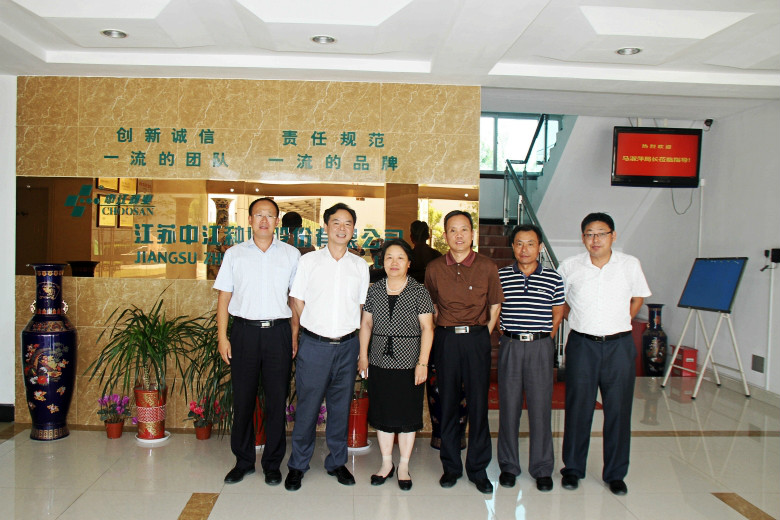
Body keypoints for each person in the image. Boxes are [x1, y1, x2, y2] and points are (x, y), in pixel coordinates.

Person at [557, 212, 651, 496]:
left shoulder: (629, 264)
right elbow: (558, 302)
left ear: (613, 236)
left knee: (619, 411)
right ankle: (573, 469)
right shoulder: (570, 266)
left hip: (619, 346)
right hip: (582, 345)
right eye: (589, 234)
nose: (595, 239)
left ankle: (615, 474)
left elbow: (638, 298)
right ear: (582, 237)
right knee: (578, 408)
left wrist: (622, 320)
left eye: (601, 233)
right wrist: (578, 319)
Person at [213, 197, 300, 486]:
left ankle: (272, 464)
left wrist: (294, 335)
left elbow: (295, 300)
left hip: (278, 333)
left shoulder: (291, 255)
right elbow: (224, 297)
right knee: (243, 399)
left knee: (276, 400)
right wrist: (222, 337)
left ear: (277, 221)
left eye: (270, 215)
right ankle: (243, 461)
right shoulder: (235, 254)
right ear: (249, 220)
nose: (264, 220)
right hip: (244, 333)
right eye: (258, 215)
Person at [285, 203, 370, 491]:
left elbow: (363, 309)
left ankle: (336, 462)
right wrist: (307, 331)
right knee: (307, 408)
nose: (342, 228)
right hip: (314, 345)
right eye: (336, 222)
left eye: (348, 223)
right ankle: (298, 465)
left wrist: (361, 350)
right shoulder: (309, 261)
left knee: (340, 407)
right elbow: (296, 301)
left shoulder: (360, 266)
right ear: (325, 227)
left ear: (353, 229)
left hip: (347, 346)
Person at [424, 210, 504, 494]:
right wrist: (444, 331)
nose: (458, 235)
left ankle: (478, 469)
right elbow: (432, 307)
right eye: (452, 230)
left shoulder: (487, 266)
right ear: (445, 235)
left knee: (478, 405)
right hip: (446, 340)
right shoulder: (434, 268)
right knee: (447, 403)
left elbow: (494, 305)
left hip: (477, 339)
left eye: (464, 230)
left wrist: (481, 334)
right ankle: (451, 467)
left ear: (472, 233)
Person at [357, 239, 435, 491]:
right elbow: (366, 324)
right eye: (389, 257)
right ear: (382, 261)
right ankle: (386, 463)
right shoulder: (375, 290)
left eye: (400, 257)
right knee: (383, 414)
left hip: (410, 363)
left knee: (407, 415)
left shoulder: (419, 291)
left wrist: (423, 362)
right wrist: (363, 355)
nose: (394, 262)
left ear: (409, 263)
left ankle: (403, 465)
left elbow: (427, 328)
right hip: (379, 360)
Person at [497, 224, 564, 492]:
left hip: (540, 347)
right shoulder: (501, 276)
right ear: (512, 247)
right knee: (508, 408)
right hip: (511, 346)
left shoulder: (553, 278)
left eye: (531, 243)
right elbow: (496, 312)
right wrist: (508, 335)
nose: (524, 249)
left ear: (540, 247)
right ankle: (508, 467)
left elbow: (558, 312)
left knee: (540, 409)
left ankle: (542, 468)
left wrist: (544, 338)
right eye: (519, 243)